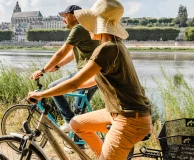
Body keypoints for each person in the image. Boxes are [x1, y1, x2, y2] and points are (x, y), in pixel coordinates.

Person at [27, 0, 152, 159]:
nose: (86, 27)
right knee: (77, 123)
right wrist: (57, 89)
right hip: (119, 113)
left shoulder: (107, 49)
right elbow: (92, 81)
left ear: (98, 26)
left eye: (89, 23)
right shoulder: (115, 45)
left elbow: (75, 82)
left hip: (129, 119)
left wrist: (42, 94)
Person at [30, 4, 100, 133]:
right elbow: (73, 53)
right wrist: (57, 66)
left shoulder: (79, 28)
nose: (63, 19)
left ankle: (69, 122)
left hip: (86, 73)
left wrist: (42, 70)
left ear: (74, 16)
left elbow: (61, 53)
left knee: (53, 88)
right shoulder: (87, 27)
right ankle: (79, 142)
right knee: (79, 110)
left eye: (65, 16)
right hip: (95, 73)